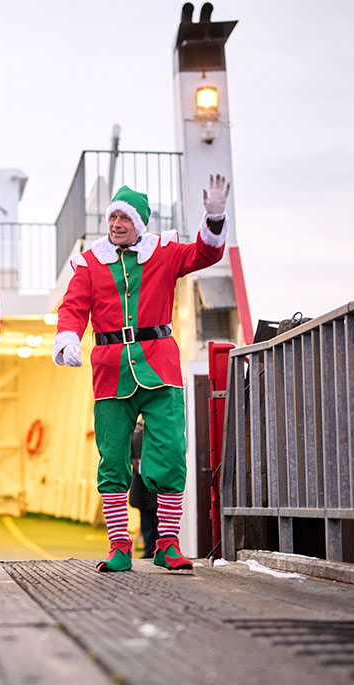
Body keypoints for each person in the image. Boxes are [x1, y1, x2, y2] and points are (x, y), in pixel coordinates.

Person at [54, 176, 230, 571]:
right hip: (110, 370)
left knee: (169, 454)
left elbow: (205, 254)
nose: (116, 223)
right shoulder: (89, 262)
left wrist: (215, 217)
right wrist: (67, 339)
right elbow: (73, 307)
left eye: (124, 218)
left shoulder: (165, 253)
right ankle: (119, 547)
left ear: (139, 223)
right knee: (112, 459)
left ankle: (167, 544)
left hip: (160, 367)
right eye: (112, 216)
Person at [128, 419, 159, 558]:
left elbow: (129, 455)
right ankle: (156, 549)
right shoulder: (156, 427)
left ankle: (150, 549)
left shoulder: (134, 430)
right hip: (152, 480)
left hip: (142, 481)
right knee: (155, 517)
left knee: (147, 518)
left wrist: (137, 462)